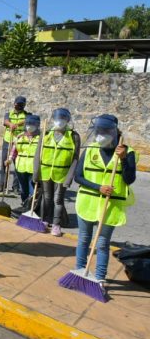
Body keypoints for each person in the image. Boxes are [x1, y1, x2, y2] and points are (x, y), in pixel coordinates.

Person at [72, 114, 136, 289]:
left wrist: (123, 160)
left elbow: (130, 179)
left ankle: (100, 278)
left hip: (111, 205)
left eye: (105, 131)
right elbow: (78, 177)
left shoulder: (128, 153)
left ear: (114, 132)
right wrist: (98, 187)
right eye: (98, 131)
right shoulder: (91, 149)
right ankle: (79, 270)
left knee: (102, 243)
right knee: (84, 239)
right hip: (88, 201)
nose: (100, 135)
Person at [38, 108, 80, 236]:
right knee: (46, 198)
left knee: (58, 200)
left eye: (63, 119)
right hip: (46, 172)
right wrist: (36, 173)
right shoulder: (45, 133)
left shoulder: (73, 136)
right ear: (53, 119)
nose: (60, 121)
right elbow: (37, 155)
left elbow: (75, 159)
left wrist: (69, 177)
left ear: (67, 121)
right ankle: (44, 220)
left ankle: (56, 224)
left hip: (62, 174)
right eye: (57, 119)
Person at [0, 96, 29, 195]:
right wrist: (10, 124)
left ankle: (15, 187)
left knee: (17, 164)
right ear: (14, 103)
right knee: (5, 163)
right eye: (17, 103)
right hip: (8, 140)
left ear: (24, 105)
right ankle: (2, 185)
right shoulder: (8, 114)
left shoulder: (27, 115)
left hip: (20, 141)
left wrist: (18, 124)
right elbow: (5, 121)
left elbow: (28, 120)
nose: (19, 105)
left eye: (21, 104)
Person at [10, 114, 41, 208]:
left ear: (37, 125)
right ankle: (24, 205)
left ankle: (32, 208)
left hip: (34, 169)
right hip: (20, 168)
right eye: (28, 124)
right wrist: (9, 159)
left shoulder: (42, 139)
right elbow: (14, 151)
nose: (29, 126)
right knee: (24, 190)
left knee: (33, 191)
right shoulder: (20, 137)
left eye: (32, 124)